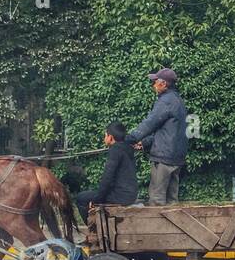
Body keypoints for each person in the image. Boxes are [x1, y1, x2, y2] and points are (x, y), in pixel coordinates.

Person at [127, 67, 189, 205]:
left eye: (155, 82)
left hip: (164, 158)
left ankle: (156, 227)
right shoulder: (178, 101)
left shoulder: (165, 101)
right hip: (176, 157)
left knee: (157, 199)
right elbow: (167, 131)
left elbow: (150, 123)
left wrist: (131, 138)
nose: (153, 85)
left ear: (163, 84)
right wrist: (145, 143)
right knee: (172, 200)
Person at [74, 122, 141, 222]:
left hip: (120, 196)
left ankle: (94, 230)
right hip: (130, 194)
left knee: (81, 198)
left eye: (105, 135)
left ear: (110, 137)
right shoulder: (127, 148)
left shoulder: (115, 150)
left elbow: (107, 178)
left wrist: (97, 199)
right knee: (94, 194)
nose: (104, 138)